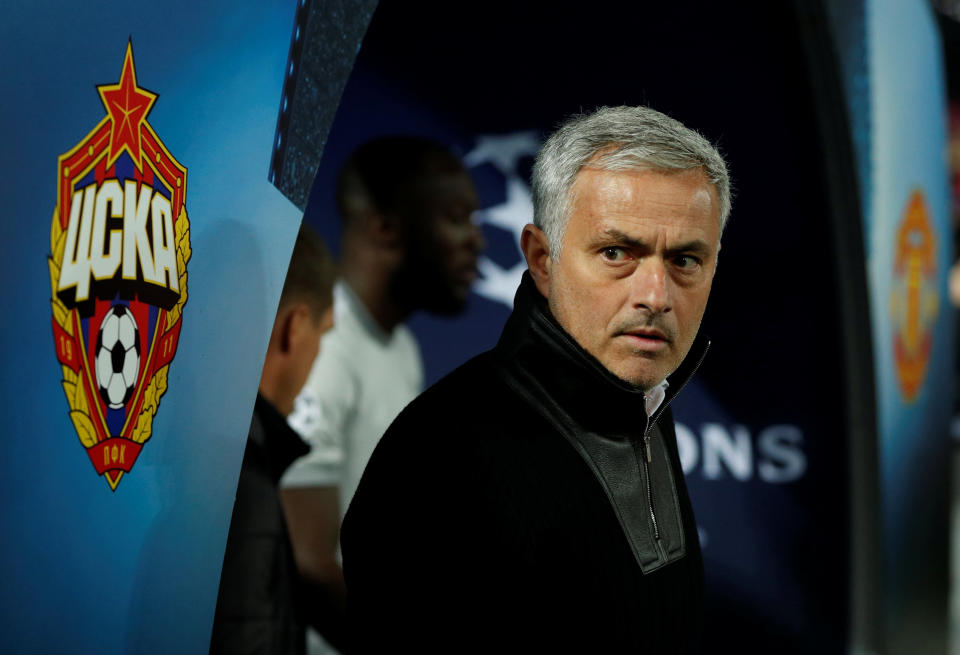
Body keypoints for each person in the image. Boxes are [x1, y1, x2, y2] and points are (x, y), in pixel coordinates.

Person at [340, 106, 731, 653]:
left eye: (686, 260)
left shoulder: (641, 402)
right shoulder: (437, 456)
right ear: (542, 260)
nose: (656, 297)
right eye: (617, 252)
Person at [278, 137, 484, 653]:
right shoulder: (326, 348)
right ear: (386, 227)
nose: (476, 241)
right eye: (456, 217)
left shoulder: (401, 347)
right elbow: (307, 563)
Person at [210, 225, 337, 655]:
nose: (319, 352)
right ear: (296, 327)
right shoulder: (243, 488)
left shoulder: (218, 466)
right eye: (325, 332)